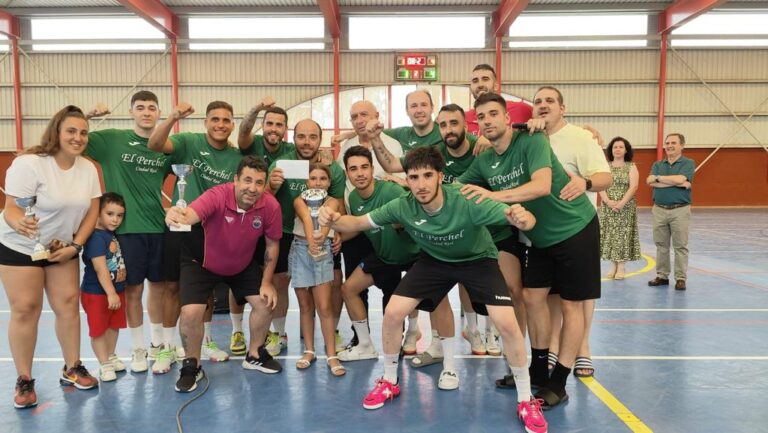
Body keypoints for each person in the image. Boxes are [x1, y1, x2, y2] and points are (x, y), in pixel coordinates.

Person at [318, 146, 548, 433]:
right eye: (414, 177)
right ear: (407, 180)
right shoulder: (403, 205)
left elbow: (521, 218)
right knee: (392, 313)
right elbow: (359, 222)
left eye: (428, 175)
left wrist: (523, 218)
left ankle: (526, 400)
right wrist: (333, 218)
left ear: (441, 176)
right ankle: (390, 381)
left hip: (478, 260)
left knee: (507, 324)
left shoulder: (466, 199)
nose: (421, 184)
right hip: (435, 261)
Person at [461, 92, 600, 410]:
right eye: (481, 117)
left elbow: (540, 186)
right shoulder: (484, 160)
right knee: (532, 298)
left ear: (507, 117)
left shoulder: (533, 141)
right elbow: (459, 187)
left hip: (575, 229)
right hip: (539, 239)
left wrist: (494, 196)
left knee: (571, 307)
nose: (487, 121)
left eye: (493, 114)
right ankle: (537, 371)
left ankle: (559, 382)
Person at [0, 105, 101, 408]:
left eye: (83, 132)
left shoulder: (88, 169)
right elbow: (12, 208)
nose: (78, 137)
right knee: (26, 309)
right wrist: (19, 222)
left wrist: (76, 246)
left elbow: (92, 210)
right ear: (56, 132)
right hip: (21, 246)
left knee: (68, 305)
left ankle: (72, 367)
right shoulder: (29, 164)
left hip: (62, 248)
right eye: (71, 131)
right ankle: (24, 379)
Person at [165, 155, 282, 392]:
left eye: (259, 182)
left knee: (265, 303)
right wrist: (175, 214)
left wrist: (267, 282)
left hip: (241, 263)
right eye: (247, 180)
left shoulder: (270, 206)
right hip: (202, 261)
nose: (252, 188)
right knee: (190, 312)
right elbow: (191, 214)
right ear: (236, 179)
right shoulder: (217, 195)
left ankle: (255, 354)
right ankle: (192, 364)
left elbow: (272, 244)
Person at [148, 100, 242, 371]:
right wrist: (172, 116)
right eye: (215, 119)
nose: (220, 125)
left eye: (226, 120)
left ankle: (206, 341)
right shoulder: (188, 142)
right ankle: (166, 348)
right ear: (206, 122)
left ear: (232, 125)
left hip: (215, 231)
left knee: (207, 289)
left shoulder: (236, 157)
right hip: (181, 225)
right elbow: (154, 145)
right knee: (172, 287)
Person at [84, 91, 172, 373]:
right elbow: (70, 137)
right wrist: (87, 115)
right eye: (140, 108)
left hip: (158, 228)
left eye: (152, 108)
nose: (146, 112)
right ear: (132, 112)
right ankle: (138, 349)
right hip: (126, 232)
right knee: (132, 291)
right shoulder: (111, 140)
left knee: (158, 289)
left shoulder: (166, 147)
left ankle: (159, 345)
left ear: (159, 113)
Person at [532, 86, 612, 378]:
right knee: (551, 294)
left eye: (549, 101)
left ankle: (583, 348)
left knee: (578, 297)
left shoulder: (581, 137)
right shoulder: (529, 139)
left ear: (562, 108)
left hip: (577, 229)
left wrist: (585, 183)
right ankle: (553, 346)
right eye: (538, 102)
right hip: (544, 233)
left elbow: (605, 177)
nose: (543, 106)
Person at [266, 119, 346, 356]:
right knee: (281, 282)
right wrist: (272, 185)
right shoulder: (282, 164)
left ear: (320, 139)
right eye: (301, 136)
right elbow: (265, 196)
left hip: (324, 236)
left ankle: (333, 332)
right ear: (293, 138)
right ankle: (279, 333)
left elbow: (337, 203)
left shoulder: (333, 169)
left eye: (313, 137)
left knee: (333, 281)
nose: (307, 142)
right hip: (286, 232)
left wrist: (338, 232)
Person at [335, 146, 420, 362]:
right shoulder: (353, 198)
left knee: (426, 300)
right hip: (385, 256)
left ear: (373, 169)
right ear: (347, 173)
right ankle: (365, 345)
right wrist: (336, 239)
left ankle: (428, 338)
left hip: (413, 255)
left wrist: (402, 224)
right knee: (348, 289)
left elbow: (416, 215)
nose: (360, 173)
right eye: (353, 169)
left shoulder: (391, 191)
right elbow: (358, 226)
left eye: (364, 167)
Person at [232, 97, 295, 355]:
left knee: (279, 281)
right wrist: (256, 108)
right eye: (270, 123)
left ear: (285, 129)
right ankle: (237, 331)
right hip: (246, 225)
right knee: (239, 278)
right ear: (263, 125)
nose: (274, 129)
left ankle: (278, 334)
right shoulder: (253, 144)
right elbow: (244, 131)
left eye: (279, 124)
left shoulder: (291, 154)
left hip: (281, 228)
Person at [290, 163, 346, 376]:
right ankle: (309, 351)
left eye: (323, 178)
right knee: (305, 306)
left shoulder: (333, 201)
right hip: (300, 251)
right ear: (307, 182)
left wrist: (321, 236)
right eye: (313, 178)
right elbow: (305, 216)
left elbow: (327, 219)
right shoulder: (298, 200)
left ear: (329, 182)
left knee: (324, 306)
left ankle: (332, 355)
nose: (318, 182)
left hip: (322, 253)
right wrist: (312, 240)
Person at [81, 192, 128, 382]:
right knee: (99, 330)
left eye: (119, 215)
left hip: (116, 292)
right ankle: (103, 363)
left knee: (113, 326)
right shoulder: (95, 238)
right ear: (98, 213)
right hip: (98, 293)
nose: (115, 219)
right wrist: (111, 293)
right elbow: (100, 269)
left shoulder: (110, 235)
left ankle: (109, 355)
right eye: (110, 214)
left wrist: (116, 292)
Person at [647, 133, 695, 291]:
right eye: (667, 143)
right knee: (661, 245)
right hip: (659, 209)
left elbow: (681, 179)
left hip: (680, 210)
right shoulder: (658, 164)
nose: (669, 146)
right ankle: (662, 276)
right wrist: (675, 181)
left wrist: (658, 179)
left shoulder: (688, 163)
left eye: (673, 143)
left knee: (680, 246)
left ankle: (680, 278)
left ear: (682, 145)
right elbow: (649, 181)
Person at [599, 137, 641, 280]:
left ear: (626, 150)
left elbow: (634, 186)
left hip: (625, 206)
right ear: (611, 150)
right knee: (610, 235)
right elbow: (600, 185)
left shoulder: (631, 166)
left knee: (623, 235)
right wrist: (608, 201)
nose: (617, 149)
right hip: (608, 206)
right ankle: (613, 266)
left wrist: (622, 203)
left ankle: (621, 267)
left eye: (621, 147)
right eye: (615, 147)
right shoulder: (604, 166)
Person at [465, 63, 533, 135]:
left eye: (485, 79)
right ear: (471, 88)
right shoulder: (464, 119)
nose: (480, 85)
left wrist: (539, 121)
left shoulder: (521, 109)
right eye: (475, 81)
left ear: (496, 86)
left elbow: (543, 118)